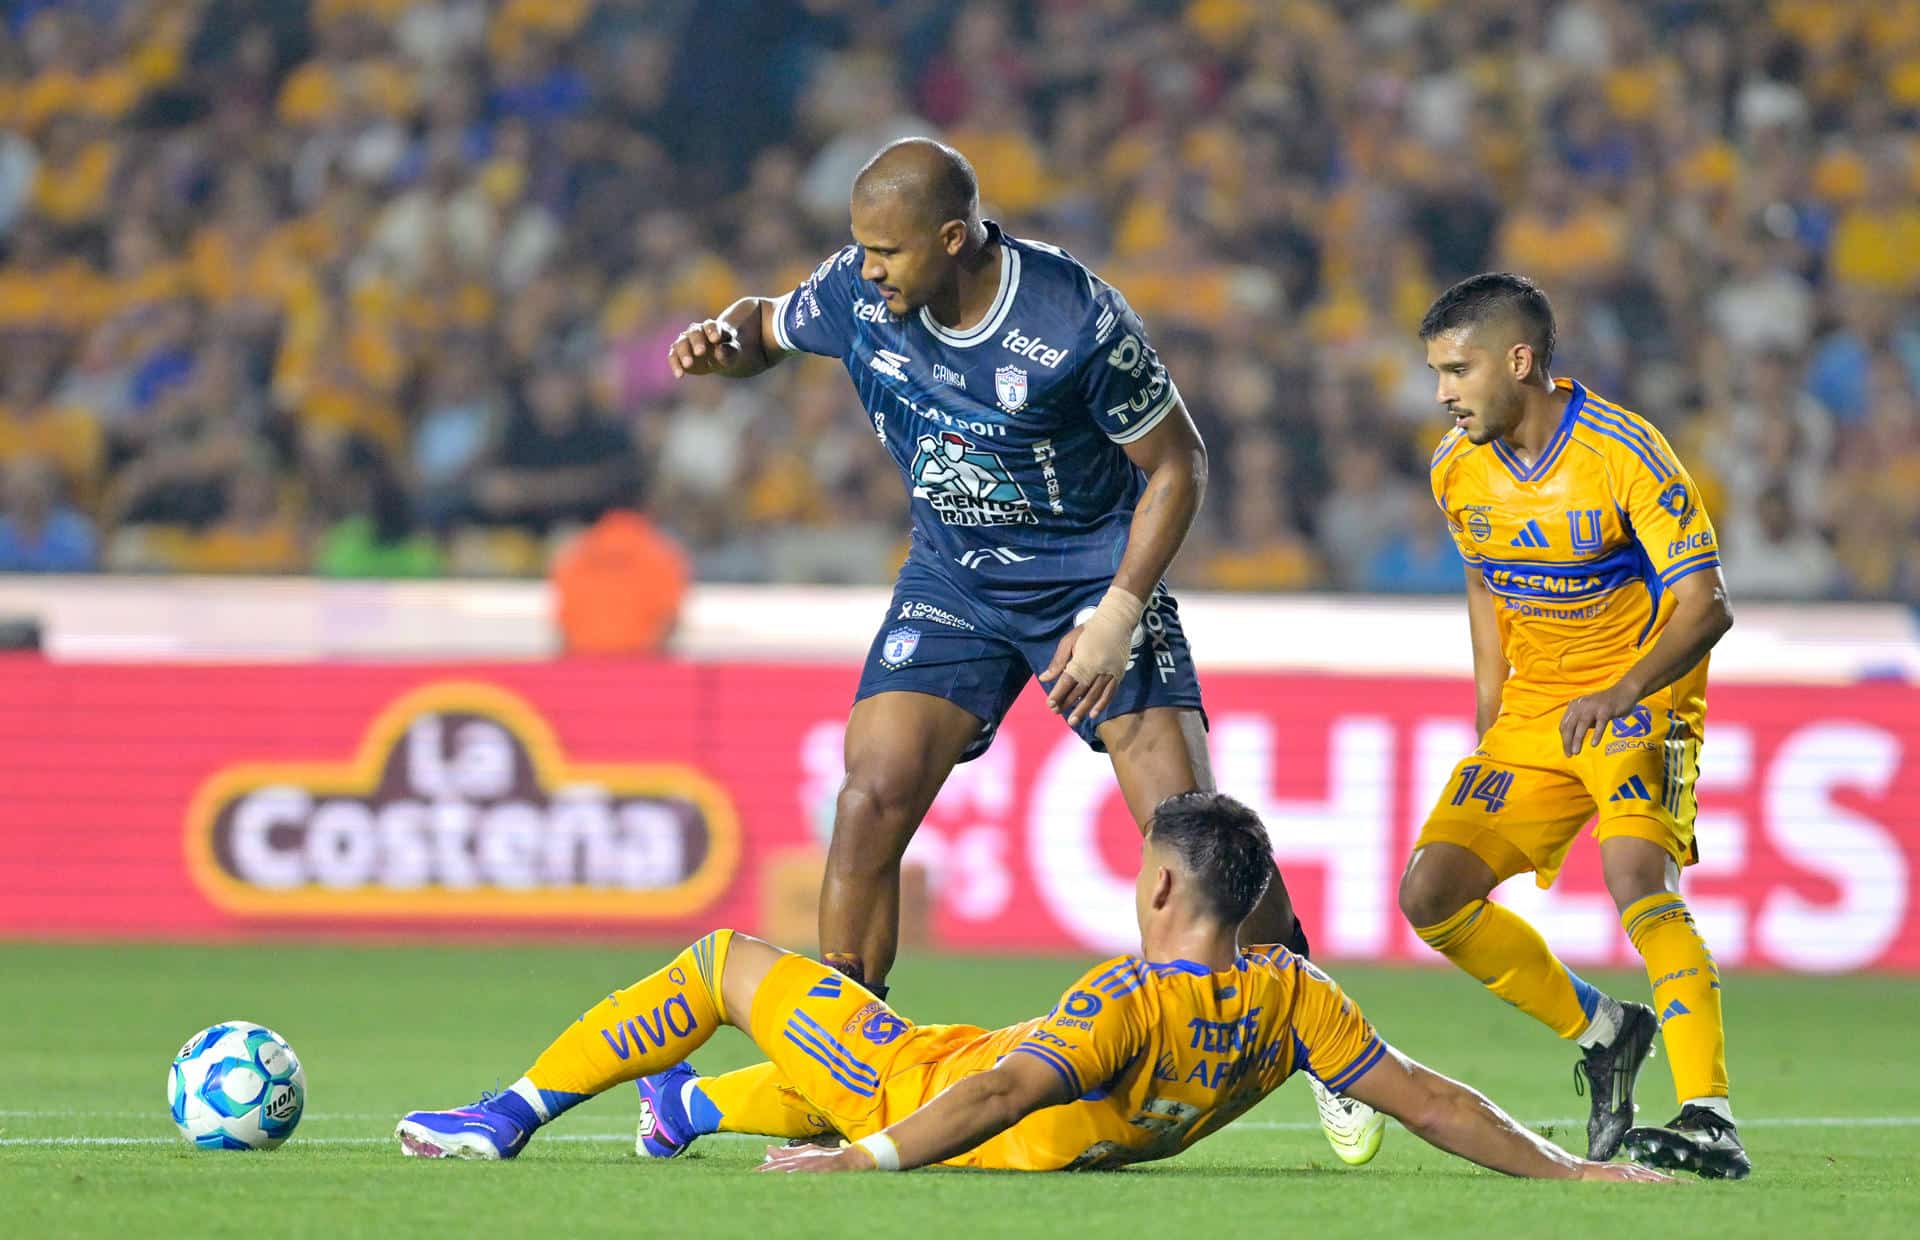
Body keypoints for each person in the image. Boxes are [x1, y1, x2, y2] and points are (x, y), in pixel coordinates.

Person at [664, 137, 1381, 1160]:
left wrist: (1120, 612)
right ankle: (834, 1054)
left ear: (952, 239)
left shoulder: (1073, 321)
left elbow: (1179, 465)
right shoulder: (859, 292)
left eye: (887, 252)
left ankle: (1320, 1039)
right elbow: (766, 328)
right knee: (869, 792)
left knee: (1191, 828)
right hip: (955, 577)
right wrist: (720, 343)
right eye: (859, 250)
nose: (867, 270)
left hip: (1088, 577)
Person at [394, 791, 1667, 1184]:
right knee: (900, 1051)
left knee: (727, 965)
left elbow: (1001, 1089)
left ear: (1166, 893)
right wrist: (1572, 1173)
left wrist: (868, 1164)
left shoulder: (1122, 998)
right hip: (997, 1089)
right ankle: (690, 1113)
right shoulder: (1294, 999)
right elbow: (1429, 1098)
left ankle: (500, 1118)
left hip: (935, 1099)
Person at [1402, 273, 1747, 1180]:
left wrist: (1625, 692)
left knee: (1636, 876)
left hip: (1643, 703)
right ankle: (1604, 1030)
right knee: (1430, 895)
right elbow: (1485, 576)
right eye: (1436, 372)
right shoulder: (1456, 467)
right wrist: (1490, 709)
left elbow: (1706, 607)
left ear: (1520, 361)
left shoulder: (1624, 452)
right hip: (1535, 716)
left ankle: (1709, 1114)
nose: (1442, 392)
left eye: (1457, 369)